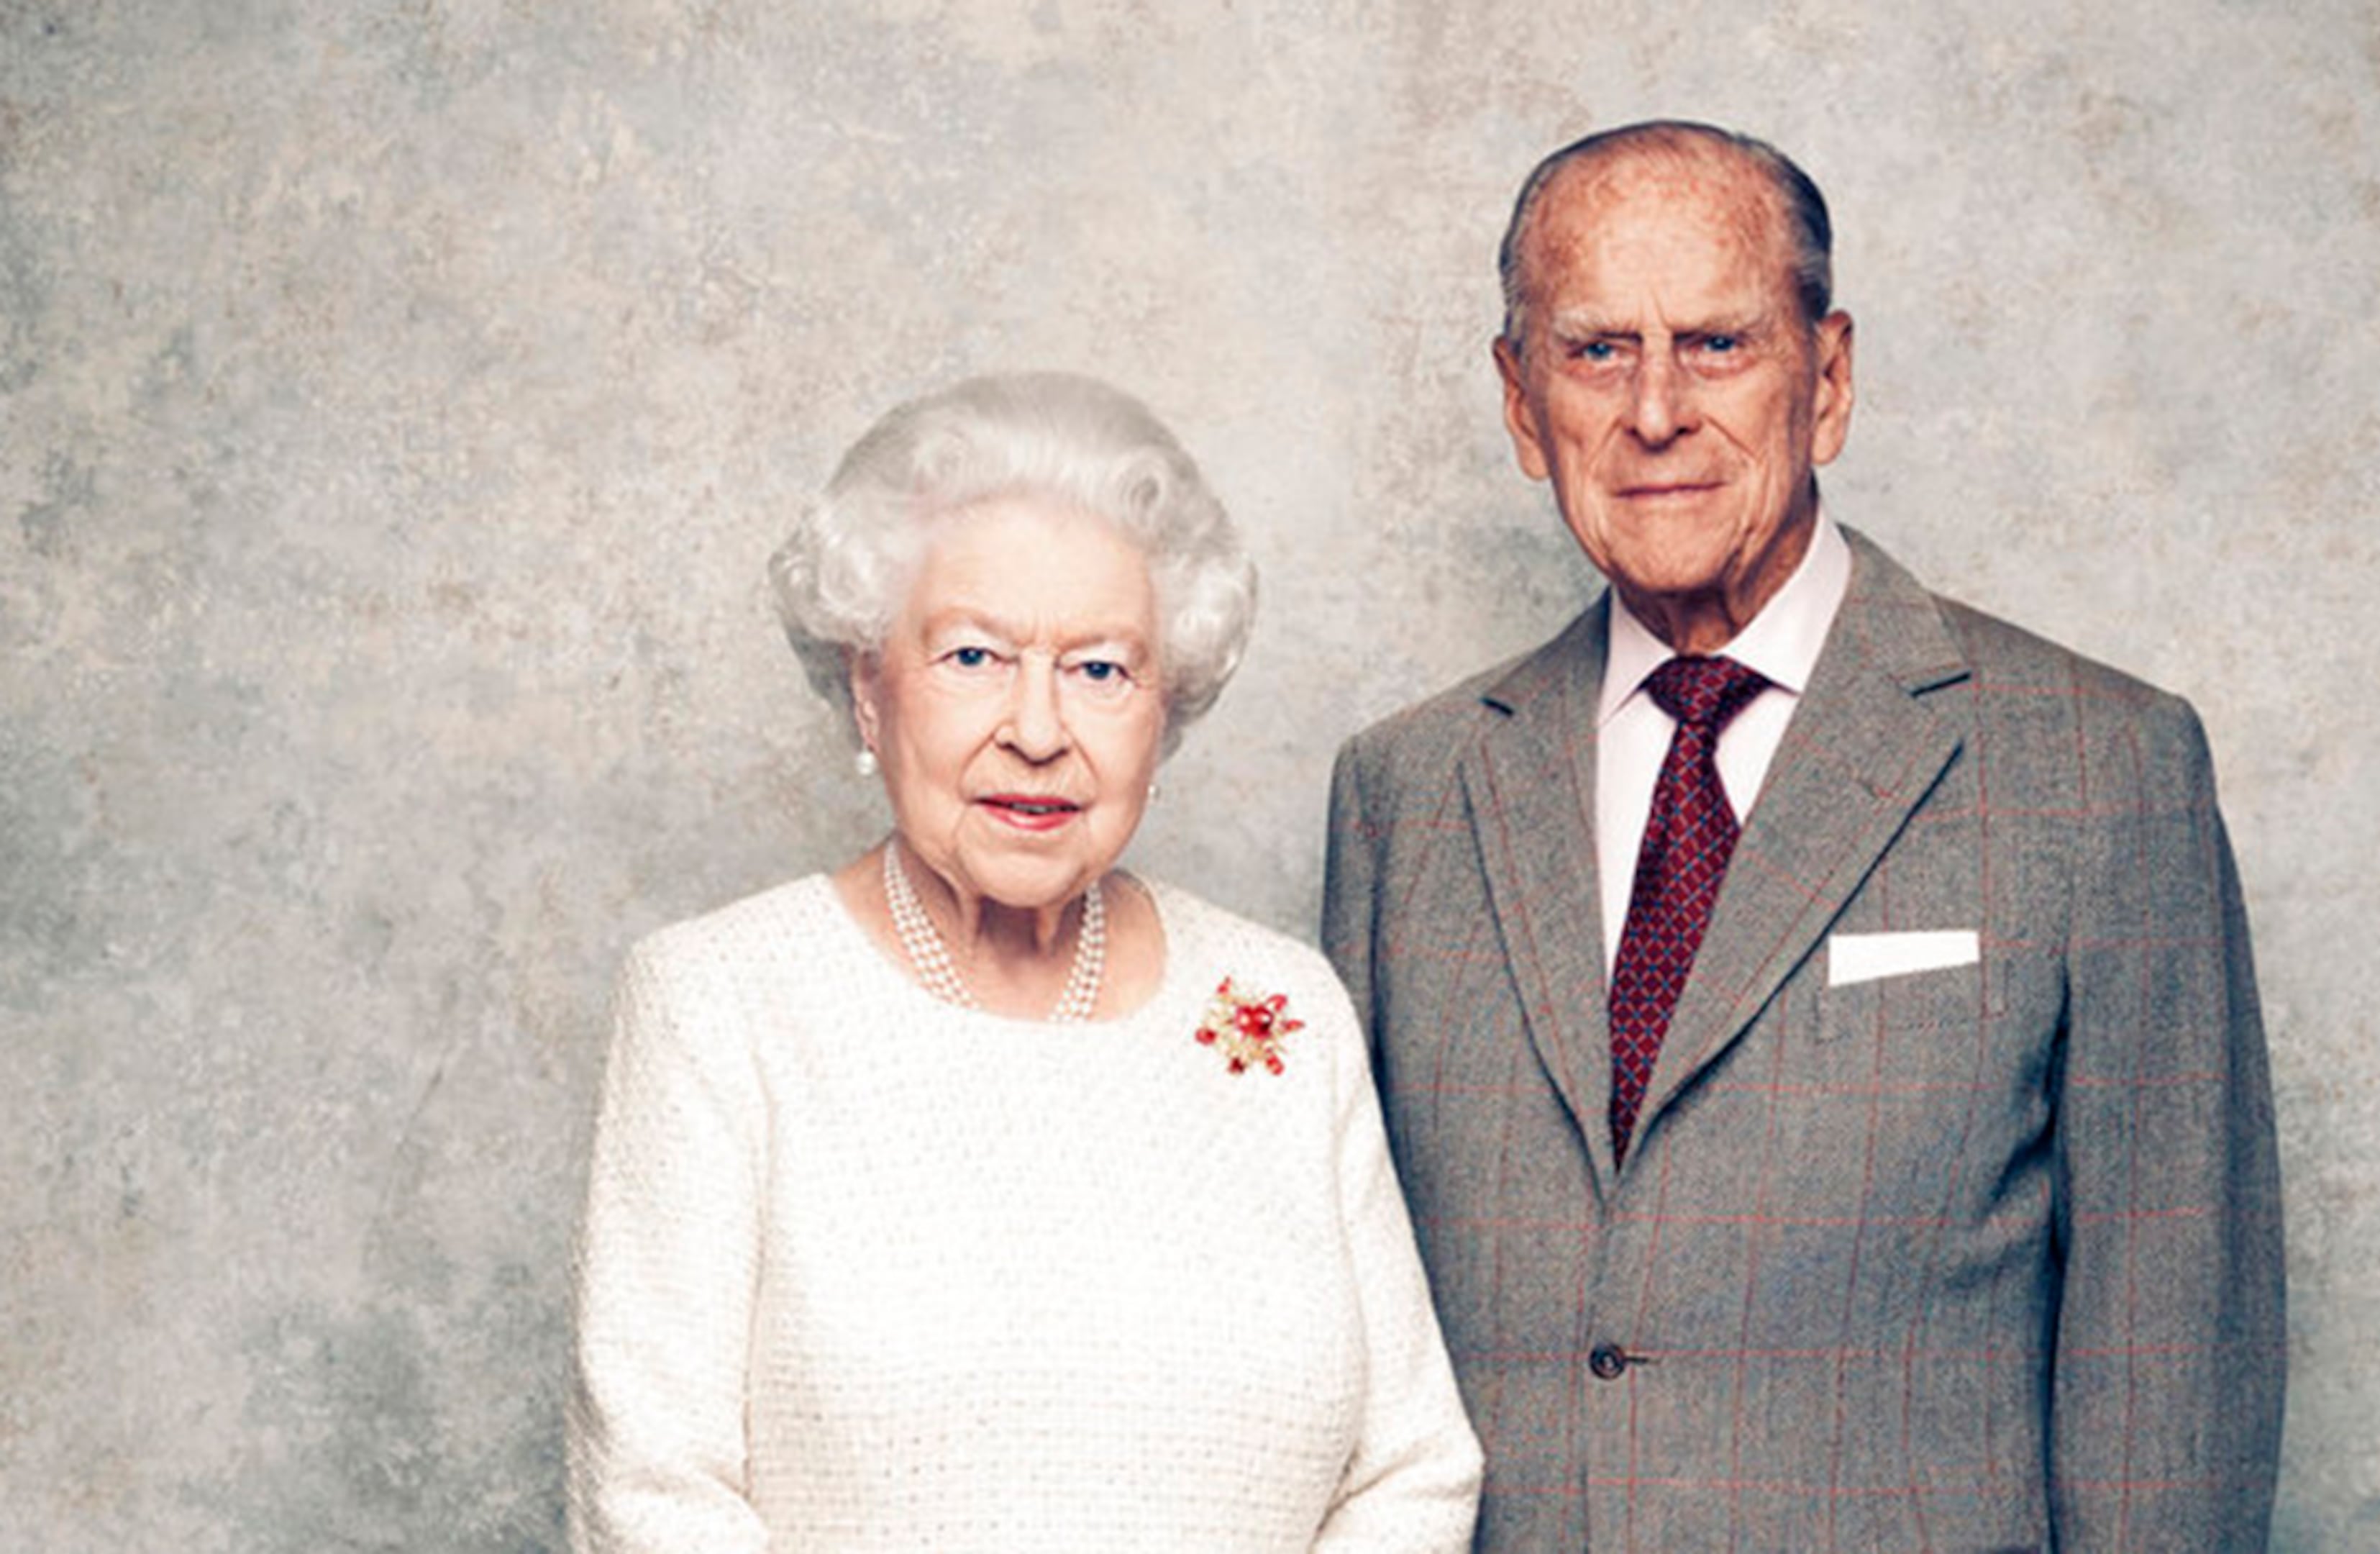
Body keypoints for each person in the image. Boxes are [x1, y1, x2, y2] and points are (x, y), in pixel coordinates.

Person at [1323, 121, 2284, 1551]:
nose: (1655, 411)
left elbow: (2169, 1384)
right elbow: (1344, 1348)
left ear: (1826, 379)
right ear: (1523, 406)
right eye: (1594, 352)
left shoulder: (2096, 769)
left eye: (1716, 344)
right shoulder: (1407, 792)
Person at [567, 372, 1482, 1551]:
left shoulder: (1281, 1009)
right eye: (973, 658)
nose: (1039, 732)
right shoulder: (720, 1003)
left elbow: (1413, 1468)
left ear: (1167, 712)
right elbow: (651, 1495)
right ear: (867, 686)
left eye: (1100, 669)